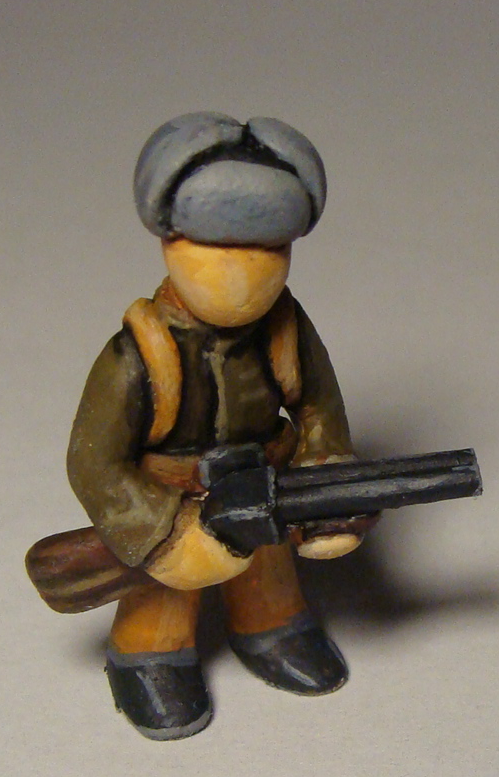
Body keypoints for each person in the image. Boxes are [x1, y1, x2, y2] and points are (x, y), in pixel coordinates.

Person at [65, 112, 370, 740]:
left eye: (266, 252)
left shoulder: (285, 330)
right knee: (163, 594)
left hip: (267, 484)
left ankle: (271, 629)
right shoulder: (139, 355)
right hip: (176, 500)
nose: (243, 273)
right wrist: (166, 534)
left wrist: (328, 488)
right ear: (171, 244)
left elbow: (319, 408)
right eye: (217, 251)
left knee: (269, 574)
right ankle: (150, 656)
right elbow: (94, 461)